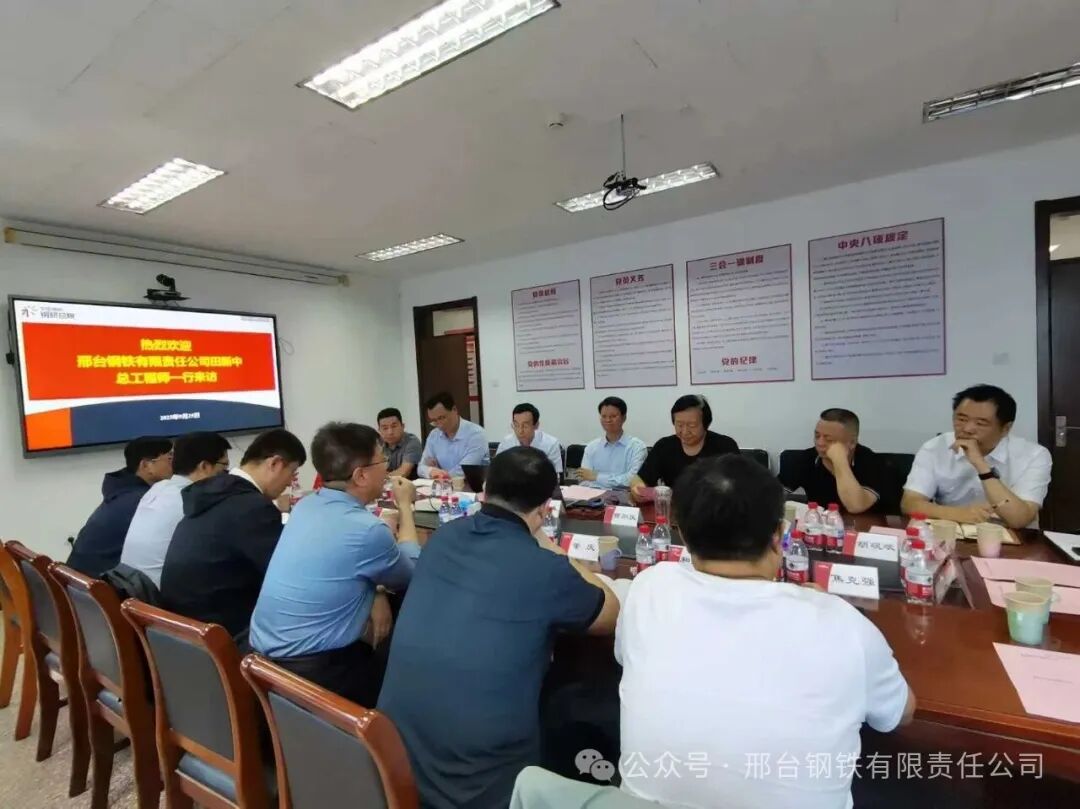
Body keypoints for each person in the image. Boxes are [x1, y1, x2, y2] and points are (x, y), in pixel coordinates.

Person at [617, 455, 915, 809]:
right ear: (779, 535)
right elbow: (900, 713)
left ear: (682, 533)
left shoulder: (648, 588)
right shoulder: (843, 624)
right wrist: (818, 604)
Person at [379, 447, 620, 809]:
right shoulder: (544, 569)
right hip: (480, 782)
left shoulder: (443, 538)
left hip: (396, 760)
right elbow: (610, 612)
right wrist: (549, 545)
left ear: (486, 490)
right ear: (544, 509)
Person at [249, 423, 422, 706]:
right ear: (361, 475)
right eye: (382, 460)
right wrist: (404, 506)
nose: (388, 468)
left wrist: (376, 590)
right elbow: (412, 575)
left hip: (263, 664)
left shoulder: (305, 506)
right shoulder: (367, 530)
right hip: (317, 676)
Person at [160, 428, 306, 639]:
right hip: (226, 635)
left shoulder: (215, 493)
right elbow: (289, 578)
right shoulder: (250, 507)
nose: (290, 482)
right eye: (292, 472)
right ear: (274, 463)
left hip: (189, 633)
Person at [902, 384, 1052, 529]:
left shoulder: (1034, 455)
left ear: (1006, 428)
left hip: (1013, 537)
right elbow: (910, 504)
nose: (967, 429)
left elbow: (1020, 519)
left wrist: (980, 464)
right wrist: (960, 514)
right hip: (951, 533)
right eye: (961, 419)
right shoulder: (935, 448)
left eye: (981, 423)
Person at [119, 431, 231, 587]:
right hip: (160, 597)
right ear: (204, 466)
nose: (227, 475)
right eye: (224, 467)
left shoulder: (158, 489)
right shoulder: (195, 501)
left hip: (132, 590)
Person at [67, 436, 174, 577]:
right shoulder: (142, 501)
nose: (175, 464)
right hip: (102, 582)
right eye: (169, 458)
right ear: (146, 465)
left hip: (80, 581)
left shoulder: (121, 493)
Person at [629, 395, 738, 500]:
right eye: (679, 425)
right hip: (675, 509)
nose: (685, 431)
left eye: (692, 425)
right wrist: (638, 490)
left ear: (706, 424)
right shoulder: (664, 446)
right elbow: (640, 479)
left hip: (714, 509)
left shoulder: (725, 446)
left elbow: (740, 486)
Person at [778, 408, 886, 514]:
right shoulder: (805, 459)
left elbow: (856, 506)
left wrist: (840, 461)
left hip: (865, 524)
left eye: (829, 439)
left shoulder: (872, 462)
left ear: (852, 442)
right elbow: (772, 495)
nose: (820, 443)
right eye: (817, 436)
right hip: (819, 522)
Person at [577, 397, 647, 489]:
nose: (608, 420)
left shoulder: (637, 447)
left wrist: (597, 477)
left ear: (624, 418)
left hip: (624, 496)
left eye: (613, 416)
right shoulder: (591, 447)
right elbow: (584, 479)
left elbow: (632, 480)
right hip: (594, 496)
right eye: (604, 416)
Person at [418, 391, 489, 479]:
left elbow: (464, 471)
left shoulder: (476, 434)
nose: (439, 425)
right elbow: (421, 467)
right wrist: (431, 471)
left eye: (442, 418)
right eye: (434, 421)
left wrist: (441, 474)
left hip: (472, 485)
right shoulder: (434, 435)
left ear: (454, 410)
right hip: (443, 485)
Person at [496, 403, 563, 473]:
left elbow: (556, 474)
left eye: (525, 426)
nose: (520, 431)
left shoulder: (551, 444)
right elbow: (496, 471)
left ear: (536, 425)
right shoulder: (506, 442)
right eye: (516, 425)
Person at [377, 407, 423, 479]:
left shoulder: (412, 442)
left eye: (394, 426)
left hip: (409, 484)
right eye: (385, 428)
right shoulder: (378, 445)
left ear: (403, 426)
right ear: (379, 430)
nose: (390, 432)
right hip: (387, 484)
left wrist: (380, 477)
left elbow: (403, 472)